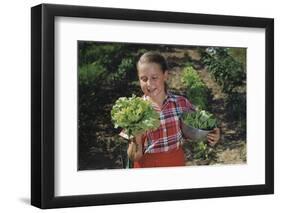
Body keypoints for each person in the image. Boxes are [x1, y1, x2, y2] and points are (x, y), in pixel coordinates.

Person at [126, 51, 220, 168]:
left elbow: (201, 126)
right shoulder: (134, 110)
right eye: (143, 79)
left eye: (154, 77)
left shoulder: (181, 103)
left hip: (176, 162)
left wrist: (214, 133)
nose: (149, 84)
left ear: (165, 75)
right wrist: (137, 136)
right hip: (147, 167)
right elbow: (134, 156)